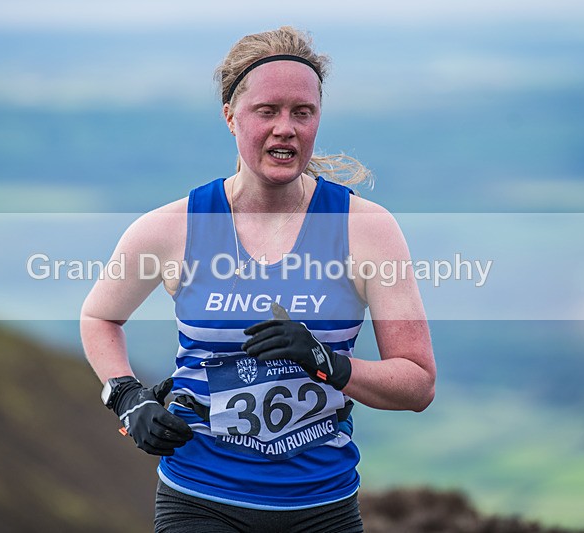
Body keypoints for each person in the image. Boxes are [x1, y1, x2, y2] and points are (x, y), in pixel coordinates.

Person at [81, 26, 436, 533]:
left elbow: (418, 383)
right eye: (266, 111)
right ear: (231, 117)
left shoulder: (366, 229)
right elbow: (99, 316)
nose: (286, 128)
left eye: (302, 112)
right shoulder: (172, 228)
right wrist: (125, 395)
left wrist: (326, 363)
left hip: (322, 505)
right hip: (198, 499)